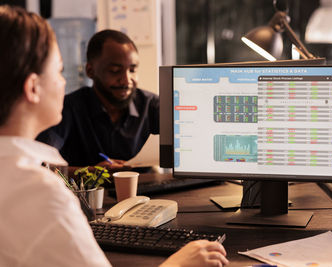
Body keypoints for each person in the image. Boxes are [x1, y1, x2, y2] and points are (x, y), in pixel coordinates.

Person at [0, 5, 229, 267]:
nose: (64, 82)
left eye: (132, 69)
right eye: (59, 71)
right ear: (32, 87)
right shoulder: (42, 195)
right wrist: (180, 263)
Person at [37, 29, 159, 170]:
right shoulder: (67, 108)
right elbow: (41, 164)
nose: (127, 80)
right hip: (87, 191)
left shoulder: (151, 105)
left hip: (146, 191)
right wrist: (91, 173)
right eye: (115, 70)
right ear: (90, 71)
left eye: (132, 70)